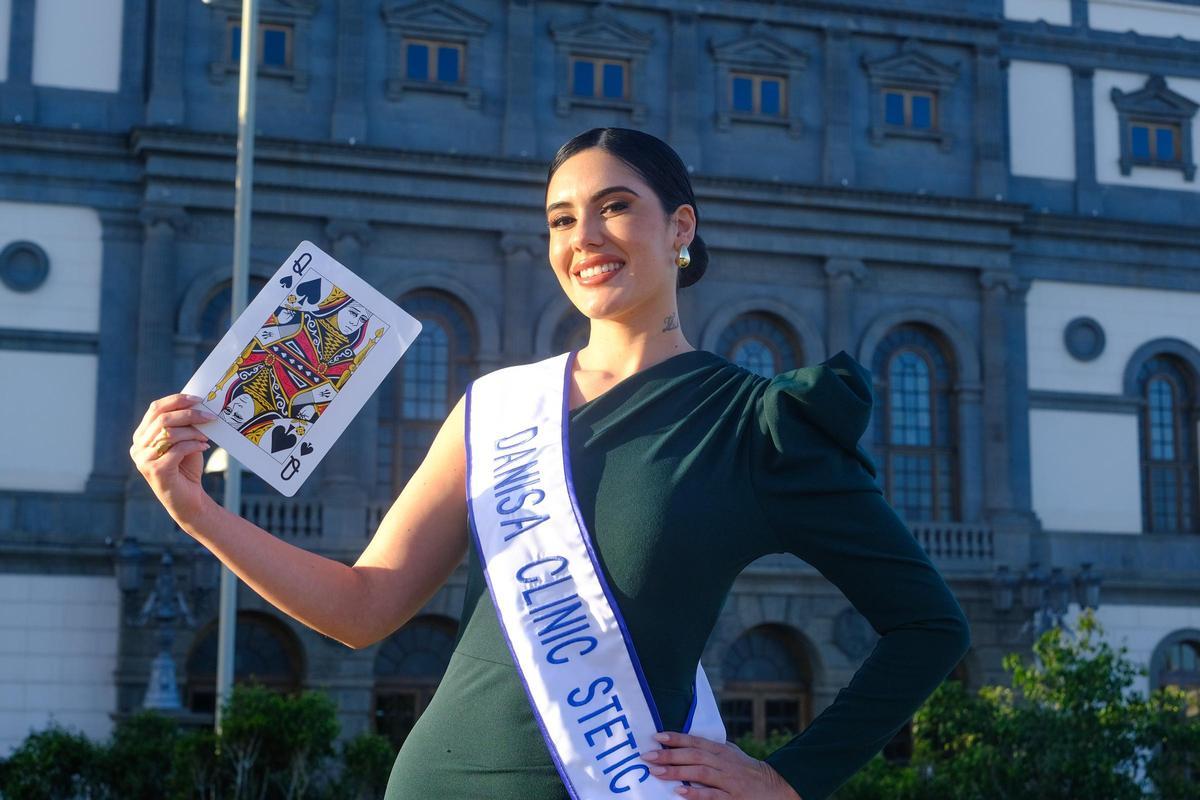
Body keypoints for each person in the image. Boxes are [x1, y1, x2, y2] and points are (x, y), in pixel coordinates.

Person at [130, 127, 971, 800]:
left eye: (615, 207)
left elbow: (930, 628)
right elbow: (364, 607)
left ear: (680, 226)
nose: (585, 237)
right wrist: (197, 510)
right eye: (562, 219)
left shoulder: (759, 424)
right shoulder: (495, 406)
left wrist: (788, 776)